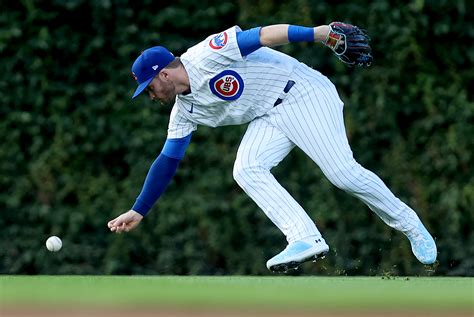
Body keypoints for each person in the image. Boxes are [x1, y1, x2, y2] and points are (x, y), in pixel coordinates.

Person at [107, 23, 437, 272]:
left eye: (148, 88)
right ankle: (305, 238)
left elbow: (262, 35)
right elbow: (168, 160)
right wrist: (140, 209)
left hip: (304, 92)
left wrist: (320, 33)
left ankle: (408, 222)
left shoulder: (206, 54)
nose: (149, 96)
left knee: (342, 174)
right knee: (246, 169)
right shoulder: (184, 111)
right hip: (270, 114)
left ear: (163, 74)